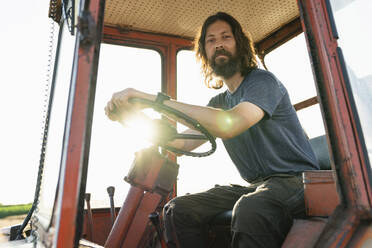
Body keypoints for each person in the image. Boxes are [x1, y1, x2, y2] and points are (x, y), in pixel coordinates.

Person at [105, 11, 319, 248]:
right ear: (204, 52)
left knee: (251, 209)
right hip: (258, 185)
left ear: (239, 44)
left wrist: (150, 99)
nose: (219, 45)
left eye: (226, 37)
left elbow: (232, 123)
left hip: (297, 182)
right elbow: (182, 143)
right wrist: (134, 117)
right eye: (211, 40)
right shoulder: (218, 103)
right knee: (178, 210)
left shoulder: (262, 82)